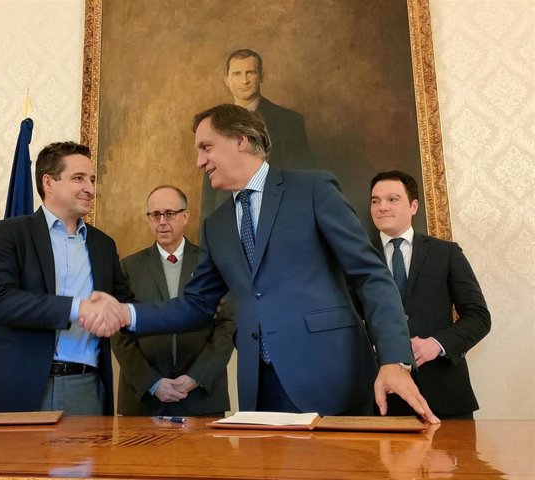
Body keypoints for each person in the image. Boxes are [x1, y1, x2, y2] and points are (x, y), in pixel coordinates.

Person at [80, 104, 439, 424]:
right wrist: (128, 315)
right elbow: (196, 304)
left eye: (206, 147)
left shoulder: (312, 189)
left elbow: (371, 276)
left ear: (240, 140)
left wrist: (395, 359)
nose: (199, 161)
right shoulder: (216, 225)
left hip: (331, 377)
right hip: (259, 387)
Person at [0, 141, 133, 414]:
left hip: (84, 389)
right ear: (49, 183)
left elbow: (125, 307)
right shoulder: (8, 233)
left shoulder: (103, 245)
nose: (90, 188)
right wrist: (78, 308)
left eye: (91, 179)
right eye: (78, 178)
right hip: (14, 386)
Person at [370, 170, 491, 419]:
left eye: (392, 199)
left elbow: (478, 317)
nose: (382, 207)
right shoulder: (356, 258)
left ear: (414, 205)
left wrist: (436, 345)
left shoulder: (446, 253)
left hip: (444, 396)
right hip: (379, 400)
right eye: (375, 200)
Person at [112, 185, 234, 416]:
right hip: (146, 400)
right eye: (155, 215)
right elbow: (119, 334)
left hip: (201, 397)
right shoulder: (129, 267)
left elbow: (227, 326)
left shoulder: (211, 263)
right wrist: (153, 383)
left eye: (170, 213)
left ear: (185, 216)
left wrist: (197, 377)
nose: (162, 221)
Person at [201, 49, 314, 219]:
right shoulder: (212, 125)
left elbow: (300, 181)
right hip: (226, 220)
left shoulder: (289, 122)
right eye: (237, 74)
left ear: (262, 76)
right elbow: (209, 193)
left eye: (250, 73)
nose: (244, 81)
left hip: (276, 217)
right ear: (227, 80)